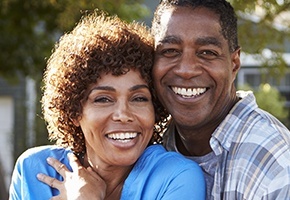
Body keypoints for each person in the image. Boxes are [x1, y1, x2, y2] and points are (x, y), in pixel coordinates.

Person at [8, 11, 206, 200]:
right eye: (103, 99)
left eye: (139, 98)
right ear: (74, 112)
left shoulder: (176, 178)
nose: (123, 114)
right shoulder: (34, 170)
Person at [151, 0, 290, 199]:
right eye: (170, 51)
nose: (187, 70)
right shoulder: (144, 143)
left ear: (234, 64)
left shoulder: (273, 162)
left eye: (207, 53)